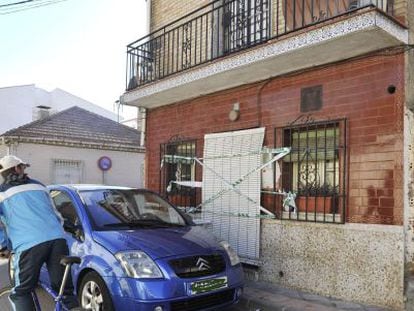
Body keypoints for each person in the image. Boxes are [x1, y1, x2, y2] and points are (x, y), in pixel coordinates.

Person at [0, 155, 80, 310]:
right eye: (22, 167)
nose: (24, 169)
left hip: (28, 245)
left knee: (21, 291)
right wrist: (59, 232)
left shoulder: (2, 193)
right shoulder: (40, 186)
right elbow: (57, 215)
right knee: (64, 290)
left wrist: (3, 245)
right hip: (57, 240)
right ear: (17, 168)